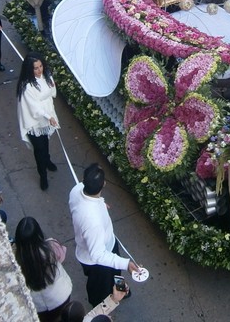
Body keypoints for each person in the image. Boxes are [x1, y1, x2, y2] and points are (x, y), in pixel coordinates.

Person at [68, 163, 141, 307]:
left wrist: (100, 205)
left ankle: (121, 289)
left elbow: (84, 205)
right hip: (97, 261)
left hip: (109, 244)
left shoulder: (76, 190)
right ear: (104, 185)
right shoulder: (93, 222)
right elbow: (98, 255)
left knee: (116, 273)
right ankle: (100, 307)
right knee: (99, 288)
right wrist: (125, 263)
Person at [14, 217, 75, 321]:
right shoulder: (51, 247)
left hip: (38, 305)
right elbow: (61, 257)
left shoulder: (15, 258)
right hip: (60, 296)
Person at [17, 53, 60, 191]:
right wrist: (49, 116)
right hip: (34, 122)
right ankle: (43, 174)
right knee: (39, 149)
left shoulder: (46, 76)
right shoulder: (26, 86)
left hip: (46, 116)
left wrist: (52, 85)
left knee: (45, 141)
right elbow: (34, 108)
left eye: (41, 66)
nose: (39, 70)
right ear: (29, 69)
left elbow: (52, 93)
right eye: (35, 68)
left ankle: (47, 161)